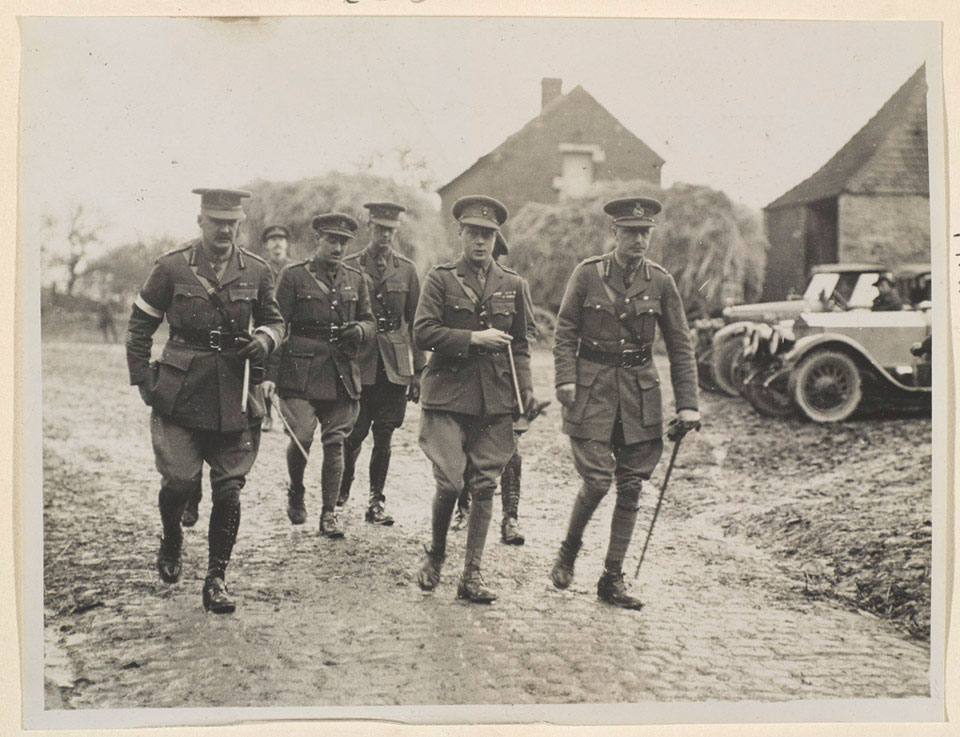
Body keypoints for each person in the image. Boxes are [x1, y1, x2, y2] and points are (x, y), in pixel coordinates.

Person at [125, 187, 284, 614]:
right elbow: (140, 324)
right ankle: (172, 537)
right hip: (179, 391)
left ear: (240, 224)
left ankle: (217, 577)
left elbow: (274, 320)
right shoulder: (172, 266)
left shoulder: (257, 270)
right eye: (217, 222)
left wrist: (265, 341)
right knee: (179, 481)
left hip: (234, 390)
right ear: (200, 221)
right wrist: (143, 380)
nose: (225, 231)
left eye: (232, 223)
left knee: (230, 489)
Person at [550, 197, 701, 610]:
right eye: (630, 232)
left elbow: (680, 345)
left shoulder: (661, 282)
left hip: (639, 395)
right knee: (598, 481)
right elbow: (564, 330)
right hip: (593, 392)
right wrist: (564, 378)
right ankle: (569, 549)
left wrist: (688, 404)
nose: (638, 239)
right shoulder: (586, 275)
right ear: (614, 233)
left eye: (645, 232)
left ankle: (611, 579)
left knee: (631, 487)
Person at [414, 195, 539, 604]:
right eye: (473, 233)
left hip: (495, 398)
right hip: (449, 395)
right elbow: (423, 332)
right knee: (451, 480)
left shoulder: (513, 284)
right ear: (461, 234)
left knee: (485, 485)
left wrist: (526, 393)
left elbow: (521, 344)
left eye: (488, 235)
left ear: (495, 237)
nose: (481, 242)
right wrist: (471, 339)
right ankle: (435, 554)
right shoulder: (440, 279)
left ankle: (472, 574)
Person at [262, 213, 375, 539]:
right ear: (318, 241)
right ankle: (296, 488)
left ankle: (329, 514)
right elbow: (277, 324)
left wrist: (361, 330)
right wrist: (270, 374)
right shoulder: (293, 276)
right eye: (332, 240)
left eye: (343, 242)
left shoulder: (356, 279)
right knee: (301, 435)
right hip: (300, 372)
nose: (338, 247)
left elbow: (370, 322)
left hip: (341, 371)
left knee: (335, 441)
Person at [451, 231, 548, 545]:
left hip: (505, 382)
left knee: (512, 453)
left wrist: (525, 386)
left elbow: (525, 335)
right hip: (468, 381)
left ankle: (511, 518)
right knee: (466, 447)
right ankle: (463, 507)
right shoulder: (457, 285)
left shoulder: (514, 285)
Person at [337, 202, 425, 525]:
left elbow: (417, 322)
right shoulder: (350, 266)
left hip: (395, 364)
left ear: (396, 231)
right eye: (379, 228)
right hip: (361, 358)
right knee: (354, 432)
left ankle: (376, 500)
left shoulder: (407, 269)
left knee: (385, 434)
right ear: (369, 227)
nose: (385, 235)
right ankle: (342, 486)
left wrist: (418, 371)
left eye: (390, 229)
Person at [259, 224, 292, 432]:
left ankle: (290, 416)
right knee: (266, 367)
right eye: (273, 240)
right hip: (269, 324)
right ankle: (267, 414)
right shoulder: (262, 268)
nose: (277, 243)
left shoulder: (296, 269)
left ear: (287, 244)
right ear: (267, 245)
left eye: (281, 239)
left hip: (290, 326)